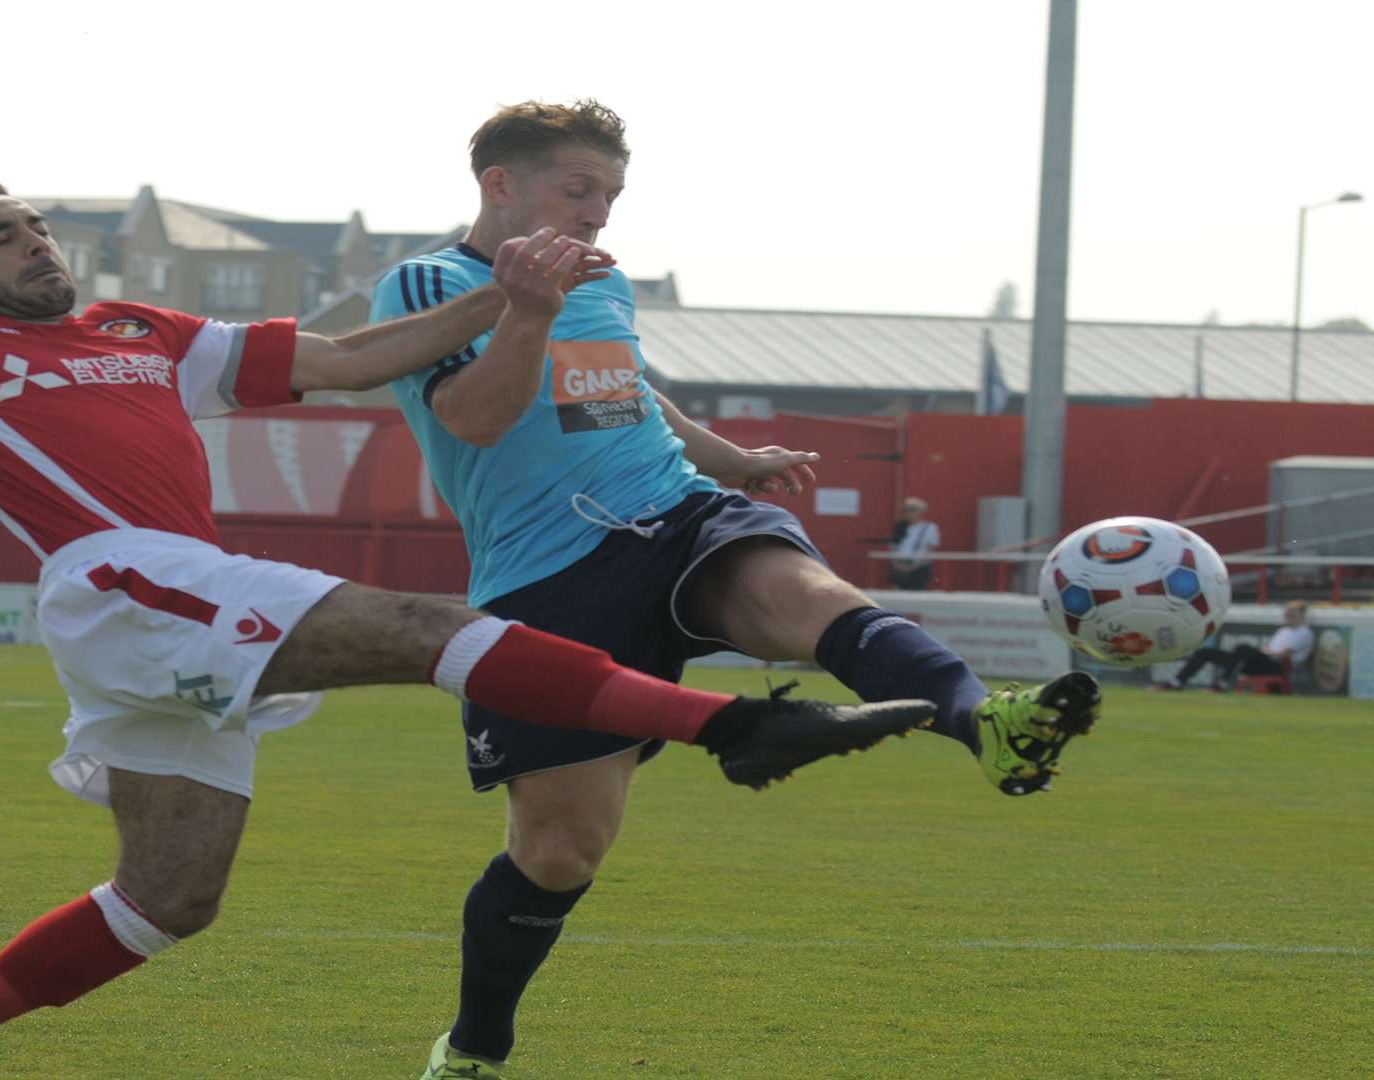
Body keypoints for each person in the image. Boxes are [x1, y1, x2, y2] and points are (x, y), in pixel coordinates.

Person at [0, 177, 938, 1080]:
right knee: (430, 623)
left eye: (34, 223)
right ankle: (741, 728)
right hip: (118, 581)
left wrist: (508, 293)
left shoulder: (141, 334)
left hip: (171, 609)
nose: (33, 244)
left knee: (169, 901)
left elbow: (355, 355)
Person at [368, 101, 1106, 1079]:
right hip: (546, 575)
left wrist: (728, 459)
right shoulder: (428, 283)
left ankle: (985, 717)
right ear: (500, 185)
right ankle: (472, 1051)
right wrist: (529, 313)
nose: (597, 214)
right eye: (576, 189)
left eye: (611, 195)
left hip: (677, 515)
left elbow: (622, 385)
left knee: (803, 594)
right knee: (560, 852)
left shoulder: (604, 280)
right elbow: (473, 419)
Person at [1163, 601, 1315, 691]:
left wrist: (1268, 652)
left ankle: (1223, 682)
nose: (1287, 616)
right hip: (1262, 661)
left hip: (1278, 667)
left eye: (1292, 614)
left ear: (1302, 615)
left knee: (1243, 649)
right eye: (1287, 613)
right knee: (1205, 652)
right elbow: (1271, 650)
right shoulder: (1283, 630)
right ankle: (1177, 681)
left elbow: (1284, 655)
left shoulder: (1304, 632)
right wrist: (1267, 652)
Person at [888, 496, 942, 590]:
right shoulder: (900, 527)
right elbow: (892, 547)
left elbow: (930, 549)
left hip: (919, 568)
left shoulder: (929, 527)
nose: (908, 512)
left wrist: (914, 566)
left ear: (921, 512)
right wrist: (897, 565)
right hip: (899, 567)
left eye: (912, 509)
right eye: (906, 509)